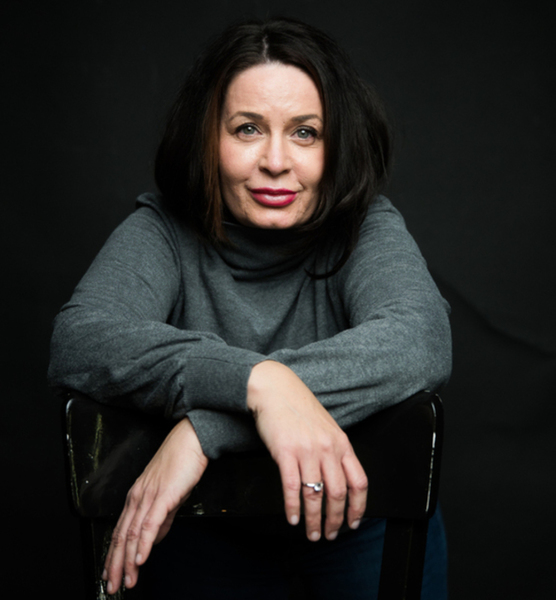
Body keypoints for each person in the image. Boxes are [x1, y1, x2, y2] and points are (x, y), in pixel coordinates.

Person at [49, 17, 451, 599]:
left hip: (360, 527)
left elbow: (420, 338)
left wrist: (210, 427)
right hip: (203, 537)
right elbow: (80, 339)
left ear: (337, 144)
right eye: (247, 129)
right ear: (207, 138)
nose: (276, 160)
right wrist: (257, 382)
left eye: (305, 133)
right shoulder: (163, 231)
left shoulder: (364, 227)